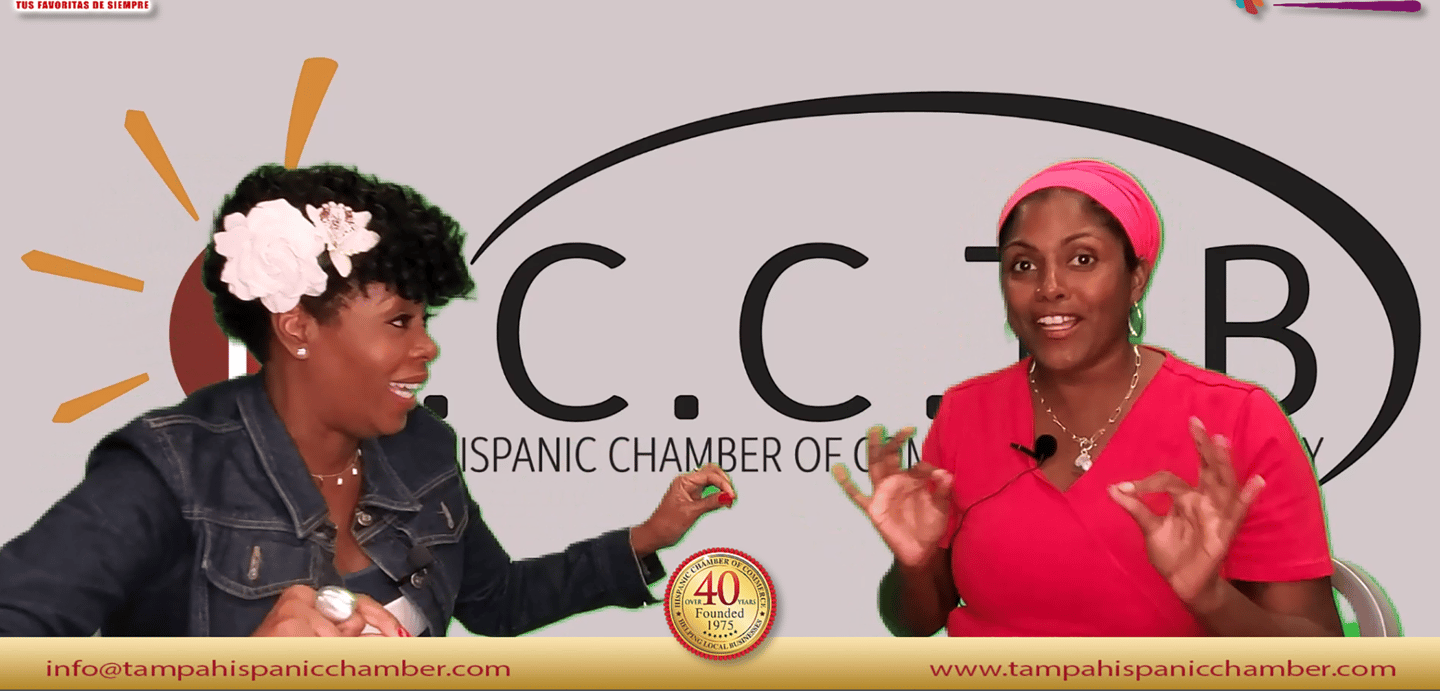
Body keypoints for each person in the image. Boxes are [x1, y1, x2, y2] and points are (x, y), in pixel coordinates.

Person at [0, 163, 736, 637]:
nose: (427, 348)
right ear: (297, 327)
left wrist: (648, 536)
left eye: (426, 321)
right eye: (398, 322)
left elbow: (498, 601)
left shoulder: (422, 449)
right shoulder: (170, 473)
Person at [833, 159, 1342, 637]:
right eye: (1022, 265)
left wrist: (1211, 598)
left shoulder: (1238, 419)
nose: (1050, 287)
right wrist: (916, 564)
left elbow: (1323, 661)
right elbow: (915, 622)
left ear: (1136, 278)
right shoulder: (966, 411)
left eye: (1082, 259)